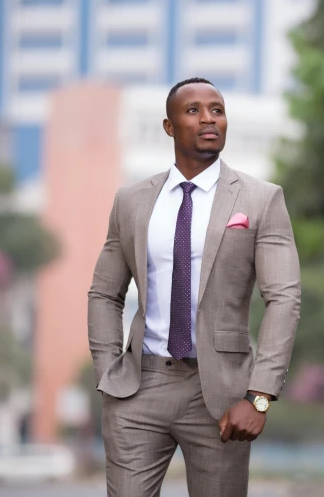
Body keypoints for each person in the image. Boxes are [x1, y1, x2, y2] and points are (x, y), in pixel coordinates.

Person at [87, 77, 301, 497]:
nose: (208, 119)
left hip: (223, 394)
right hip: (138, 387)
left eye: (217, 110)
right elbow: (104, 293)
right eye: (193, 111)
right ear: (169, 127)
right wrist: (107, 373)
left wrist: (259, 396)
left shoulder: (260, 199)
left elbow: (284, 299)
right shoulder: (131, 201)